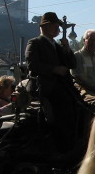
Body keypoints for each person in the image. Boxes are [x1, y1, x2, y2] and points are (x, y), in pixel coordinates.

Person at [25, 11, 81, 152]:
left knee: (79, 102)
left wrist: (67, 48)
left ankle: (75, 140)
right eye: (55, 26)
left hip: (62, 85)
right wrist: (54, 69)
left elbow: (72, 64)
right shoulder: (35, 43)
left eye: (58, 26)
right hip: (45, 86)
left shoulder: (57, 46)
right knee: (65, 105)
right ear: (45, 27)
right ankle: (63, 145)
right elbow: (32, 65)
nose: (58, 29)